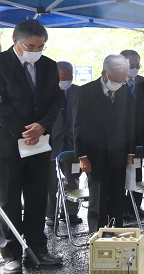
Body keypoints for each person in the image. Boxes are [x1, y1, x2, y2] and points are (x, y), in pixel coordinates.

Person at [0, 19, 63, 273]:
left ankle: (38, 249)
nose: (36, 50)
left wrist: (42, 126)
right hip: (8, 144)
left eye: (41, 46)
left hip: (39, 143)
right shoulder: (1, 63)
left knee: (38, 198)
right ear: (16, 41)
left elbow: (56, 100)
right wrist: (25, 131)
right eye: (32, 45)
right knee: (9, 200)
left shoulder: (48, 66)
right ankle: (10, 253)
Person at [73, 55, 135, 233]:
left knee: (117, 197)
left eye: (122, 80)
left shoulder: (125, 91)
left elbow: (130, 122)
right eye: (115, 80)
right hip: (95, 155)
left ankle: (117, 233)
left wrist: (130, 152)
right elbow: (78, 125)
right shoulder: (85, 91)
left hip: (119, 154)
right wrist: (82, 156)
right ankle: (97, 235)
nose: (118, 83)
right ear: (104, 74)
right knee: (98, 199)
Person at [46, 62, 82, 227]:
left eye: (69, 78)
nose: (66, 81)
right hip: (50, 144)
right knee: (50, 182)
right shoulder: (46, 92)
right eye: (62, 78)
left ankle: (70, 212)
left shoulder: (78, 92)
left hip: (72, 144)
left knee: (72, 179)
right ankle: (50, 214)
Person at [120, 50, 144, 219]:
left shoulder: (143, 82)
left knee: (137, 173)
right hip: (120, 138)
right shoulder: (114, 81)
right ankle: (121, 207)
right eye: (131, 65)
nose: (134, 69)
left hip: (138, 138)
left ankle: (135, 206)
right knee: (121, 174)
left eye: (137, 65)